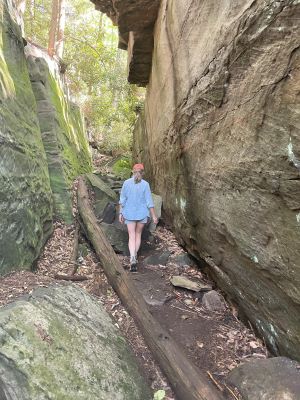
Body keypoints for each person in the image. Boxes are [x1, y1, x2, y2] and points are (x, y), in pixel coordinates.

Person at [119, 163, 158, 272]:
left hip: (129, 213)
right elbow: (149, 201)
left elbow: (122, 200)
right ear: (142, 173)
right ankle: (134, 257)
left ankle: (132, 257)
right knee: (138, 234)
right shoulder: (145, 184)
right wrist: (154, 216)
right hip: (142, 213)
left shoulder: (126, 183)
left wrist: (120, 213)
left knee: (131, 236)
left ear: (132, 172)